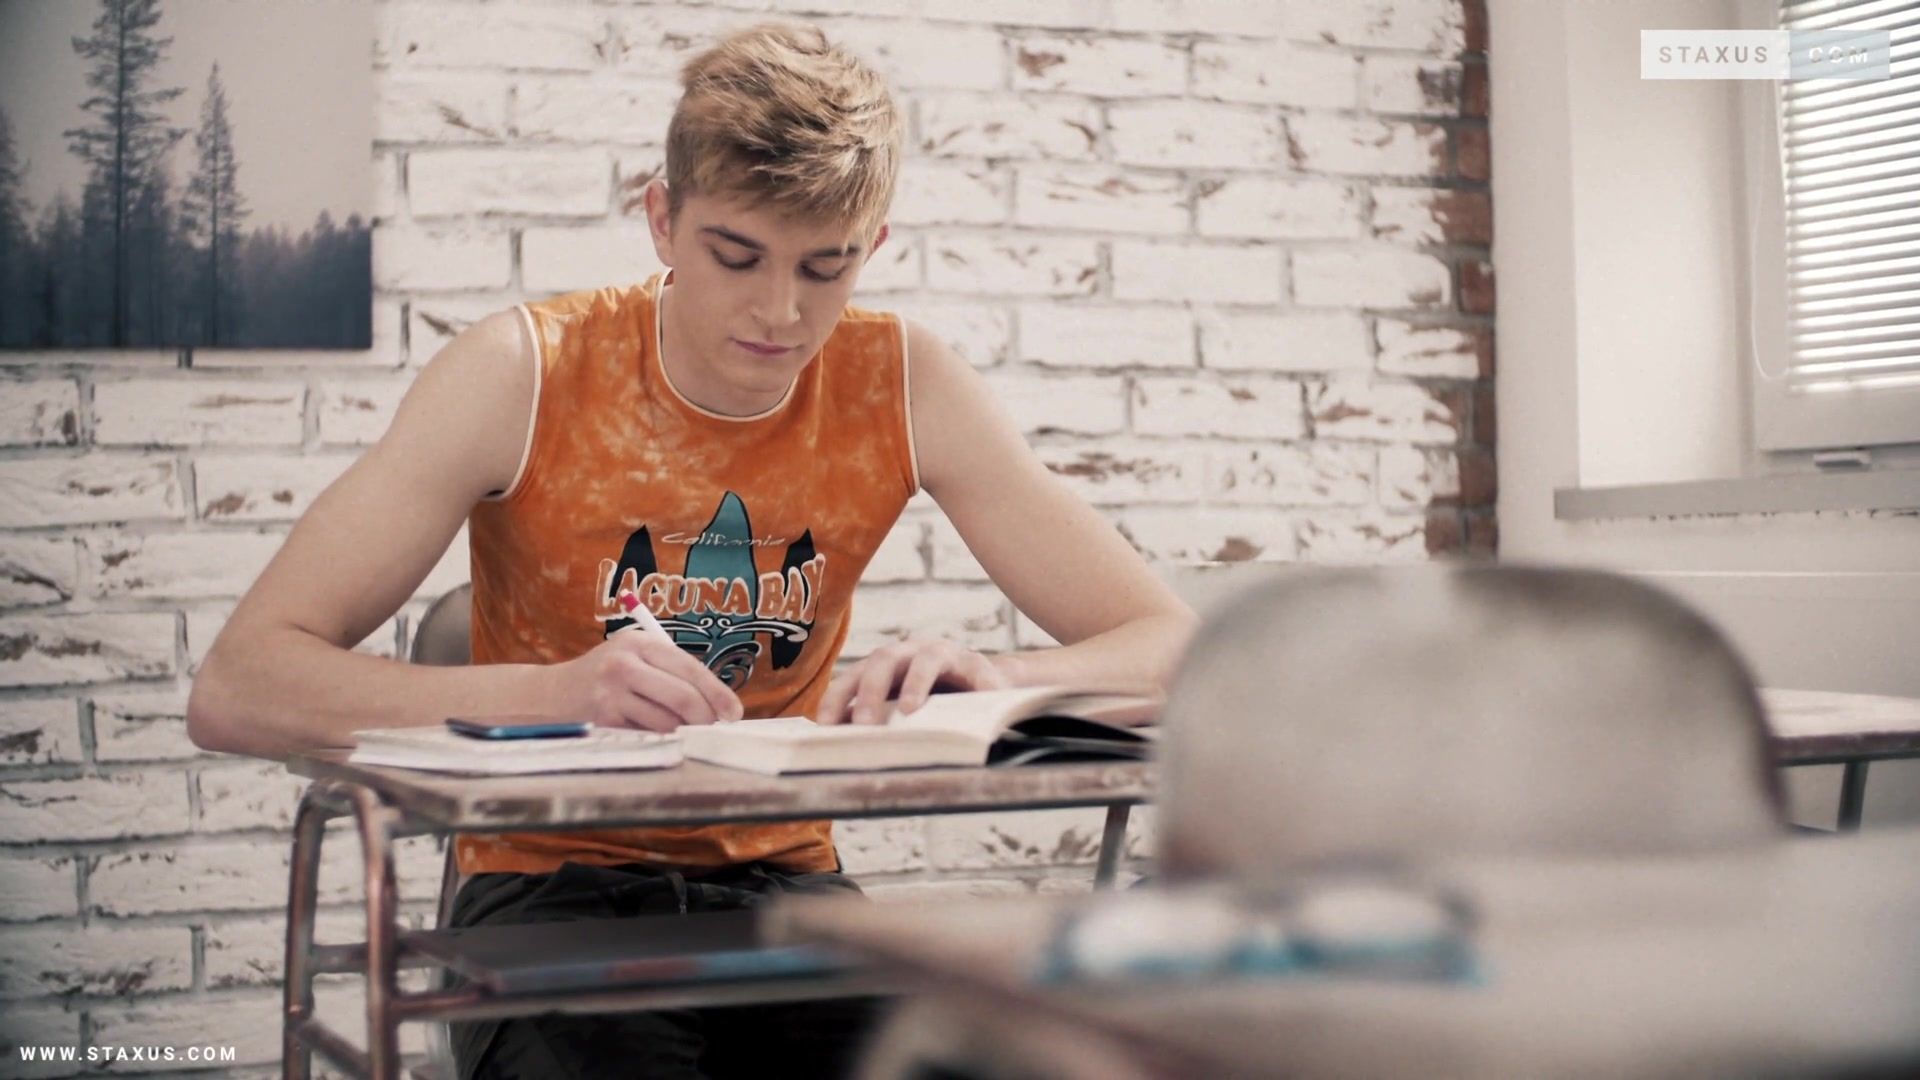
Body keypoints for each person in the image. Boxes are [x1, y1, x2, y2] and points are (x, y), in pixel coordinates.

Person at [187, 21, 1196, 1079]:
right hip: (545, 895)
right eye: (736, 255)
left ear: (875, 246)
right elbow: (239, 686)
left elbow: (1173, 644)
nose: (781, 311)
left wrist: (995, 679)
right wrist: (555, 694)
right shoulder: (522, 373)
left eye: (827, 266)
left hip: (785, 888)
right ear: (663, 220)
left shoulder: (903, 382)